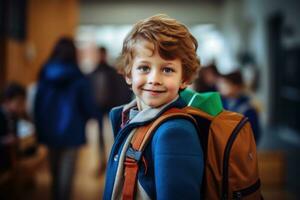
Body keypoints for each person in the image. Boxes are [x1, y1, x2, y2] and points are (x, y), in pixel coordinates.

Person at [103, 14, 203, 199]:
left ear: (184, 79)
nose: (154, 80)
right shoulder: (131, 117)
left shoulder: (174, 132)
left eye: (167, 69)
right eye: (144, 68)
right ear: (128, 74)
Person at [34, 37, 101, 200]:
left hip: (49, 130)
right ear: (73, 53)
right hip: (72, 130)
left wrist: (39, 125)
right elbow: (88, 105)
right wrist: (94, 115)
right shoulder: (78, 76)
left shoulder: (45, 73)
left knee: (54, 173)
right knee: (66, 175)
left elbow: (37, 103)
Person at [89, 46, 132, 175]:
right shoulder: (92, 73)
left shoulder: (112, 72)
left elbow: (120, 90)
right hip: (97, 110)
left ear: (105, 54)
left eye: (102, 54)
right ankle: (100, 163)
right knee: (97, 139)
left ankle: (112, 164)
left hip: (111, 109)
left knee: (110, 137)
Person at [217, 70, 261, 144]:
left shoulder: (248, 108)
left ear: (236, 86)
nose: (220, 87)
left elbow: (254, 134)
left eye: (225, 84)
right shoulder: (221, 102)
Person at [0, 82, 26, 173]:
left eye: (23, 102)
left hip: (9, 157)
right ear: (7, 101)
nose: (22, 106)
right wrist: (5, 141)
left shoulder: (14, 116)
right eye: (19, 102)